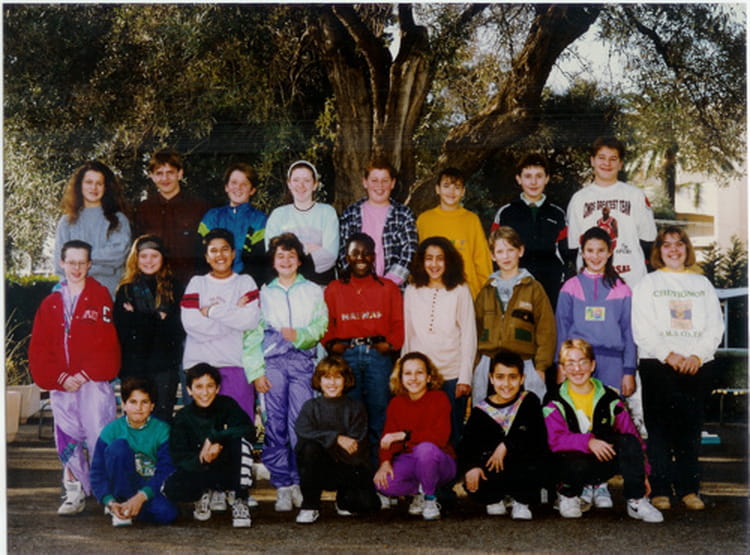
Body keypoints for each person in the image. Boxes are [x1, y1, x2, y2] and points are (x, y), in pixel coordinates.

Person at [631, 226, 724, 511]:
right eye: (667, 245)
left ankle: (688, 489)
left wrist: (697, 355)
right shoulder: (648, 284)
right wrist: (668, 354)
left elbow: (714, 326)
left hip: (696, 365)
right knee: (659, 430)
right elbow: (642, 327)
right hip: (658, 364)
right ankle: (660, 489)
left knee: (689, 429)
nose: (673, 249)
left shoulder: (702, 284)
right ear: (658, 251)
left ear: (687, 249)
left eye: (679, 244)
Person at [28, 240, 119, 515]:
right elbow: (39, 347)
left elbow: (107, 342)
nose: (76, 268)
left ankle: (107, 494)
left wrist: (85, 373)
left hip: (92, 382)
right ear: (62, 263)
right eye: (71, 262)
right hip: (63, 384)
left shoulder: (100, 296)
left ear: (89, 264)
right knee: (67, 436)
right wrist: (59, 378)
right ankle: (74, 491)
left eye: (82, 262)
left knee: (99, 434)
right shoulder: (51, 303)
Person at [248, 233, 328, 513]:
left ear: (299, 260)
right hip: (272, 364)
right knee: (275, 423)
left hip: (303, 363)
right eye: (280, 256)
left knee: (301, 423)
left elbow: (321, 325)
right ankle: (282, 484)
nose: (285, 261)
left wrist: (301, 335)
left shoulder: (313, 290)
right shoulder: (264, 293)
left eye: (291, 255)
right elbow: (252, 335)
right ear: (273, 260)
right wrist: (256, 372)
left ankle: (300, 482)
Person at [544, 339, 663, 523]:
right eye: (570, 363)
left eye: (583, 362)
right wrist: (588, 442)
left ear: (593, 365)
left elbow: (632, 434)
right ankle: (568, 494)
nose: (577, 369)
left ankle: (636, 500)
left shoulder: (609, 397)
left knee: (628, 441)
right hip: (569, 463)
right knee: (568, 459)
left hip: (601, 460)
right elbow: (555, 440)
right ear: (563, 368)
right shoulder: (554, 399)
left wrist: (643, 474)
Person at [322, 232, 404, 467]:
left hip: (377, 356)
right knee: (351, 417)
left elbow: (399, 324)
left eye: (366, 253)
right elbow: (325, 323)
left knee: (380, 414)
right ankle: (355, 474)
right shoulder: (334, 289)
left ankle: (381, 470)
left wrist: (390, 345)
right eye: (355, 253)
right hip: (347, 356)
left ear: (374, 257)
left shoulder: (388, 288)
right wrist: (331, 344)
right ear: (346, 257)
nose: (360, 258)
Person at [181, 228, 262, 423]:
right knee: (203, 431)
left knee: (239, 427)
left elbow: (250, 320)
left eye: (225, 249)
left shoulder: (245, 282)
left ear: (233, 254)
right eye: (214, 250)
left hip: (235, 365)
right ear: (206, 257)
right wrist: (234, 314)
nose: (220, 255)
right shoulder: (197, 283)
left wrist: (211, 311)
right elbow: (192, 324)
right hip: (200, 367)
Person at [403, 236, 476, 447]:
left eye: (440, 258)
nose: (434, 264)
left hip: (452, 375)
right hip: (421, 377)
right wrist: (405, 373)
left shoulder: (460, 290)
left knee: (452, 434)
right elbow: (408, 335)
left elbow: (469, 335)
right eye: (429, 258)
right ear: (421, 261)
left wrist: (465, 377)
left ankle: (453, 469)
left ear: (449, 261)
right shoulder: (412, 290)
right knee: (421, 432)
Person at [459, 351, 548, 520]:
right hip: (496, 469)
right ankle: (496, 497)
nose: (506, 384)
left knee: (531, 457)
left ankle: (521, 500)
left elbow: (536, 437)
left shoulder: (529, 400)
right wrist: (472, 466)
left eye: (513, 377)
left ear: (522, 379)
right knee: (477, 478)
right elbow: (468, 445)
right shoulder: (480, 410)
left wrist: (506, 445)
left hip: (522, 465)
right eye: (500, 377)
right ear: (491, 378)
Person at [163, 364, 255, 527]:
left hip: (225, 466)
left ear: (217, 388)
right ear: (189, 390)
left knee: (241, 442)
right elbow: (179, 457)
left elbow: (248, 430)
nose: (205, 393)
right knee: (170, 488)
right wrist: (202, 458)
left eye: (210, 386)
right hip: (201, 469)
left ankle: (240, 498)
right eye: (199, 387)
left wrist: (215, 438)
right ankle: (202, 494)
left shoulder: (227, 405)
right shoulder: (182, 417)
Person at [294, 356, 380, 524]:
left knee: (368, 506)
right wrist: (336, 438)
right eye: (327, 377)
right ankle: (310, 505)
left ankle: (343, 499)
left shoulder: (355, 407)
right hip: (318, 467)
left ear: (345, 380)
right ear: (319, 380)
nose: (332, 383)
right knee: (309, 448)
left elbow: (355, 445)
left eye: (337, 377)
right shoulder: (311, 406)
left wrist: (328, 442)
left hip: (346, 466)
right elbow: (303, 431)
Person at [473, 226, 556, 403]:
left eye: (511, 250)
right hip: (490, 363)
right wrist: (476, 365)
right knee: (489, 411)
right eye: (500, 251)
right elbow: (475, 329)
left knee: (527, 411)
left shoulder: (533, 288)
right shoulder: (486, 291)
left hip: (524, 363)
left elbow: (546, 330)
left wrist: (541, 367)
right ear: (492, 256)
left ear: (521, 251)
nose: (506, 256)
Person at [374, 352, 455, 521]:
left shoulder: (439, 398)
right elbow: (388, 438)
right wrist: (385, 462)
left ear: (429, 377)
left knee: (425, 450)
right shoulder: (396, 403)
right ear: (401, 378)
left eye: (419, 372)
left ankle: (430, 499)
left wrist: (405, 435)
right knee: (383, 483)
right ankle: (420, 492)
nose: (413, 378)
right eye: (408, 373)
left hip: (439, 460)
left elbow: (440, 437)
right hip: (411, 458)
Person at [566, 136, 657, 288]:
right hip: (591, 282)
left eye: (613, 159)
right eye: (601, 158)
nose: (607, 163)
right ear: (592, 161)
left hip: (630, 281)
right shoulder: (579, 199)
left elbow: (648, 241)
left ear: (620, 164)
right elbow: (574, 246)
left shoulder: (635, 196)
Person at [555, 226, 636, 395]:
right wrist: (561, 365)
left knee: (610, 409)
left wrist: (629, 370)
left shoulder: (622, 289)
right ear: (582, 253)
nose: (595, 256)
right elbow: (561, 329)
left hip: (612, 363)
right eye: (590, 251)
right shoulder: (570, 287)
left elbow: (628, 332)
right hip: (577, 363)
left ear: (609, 253)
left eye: (601, 251)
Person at [114, 234, 185, 423]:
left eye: (154, 256)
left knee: (161, 421)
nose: (149, 261)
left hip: (164, 366)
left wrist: (137, 316)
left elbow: (177, 329)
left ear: (163, 258)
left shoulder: (174, 288)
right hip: (133, 366)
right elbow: (123, 330)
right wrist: (158, 318)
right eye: (144, 256)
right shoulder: (126, 290)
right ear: (136, 259)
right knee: (135, 420)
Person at [90, 377, 178, 526]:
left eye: (144, 402)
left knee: (167, 514)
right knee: (118, 447)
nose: (139, 407)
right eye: (133, 402)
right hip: (121, 485)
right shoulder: (111, 431)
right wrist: (108, 500)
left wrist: (141, 497)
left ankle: (131, 509)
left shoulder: (162, 430)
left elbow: (166, 469)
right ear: (124, 404)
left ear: (152, 406)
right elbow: (97, 472)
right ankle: (119, 506)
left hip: (148, 487)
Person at [491, 153, 568, 307]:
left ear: (547, 179)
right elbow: (495, 251)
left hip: (550, 287)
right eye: (527, 176)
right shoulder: (506, 213)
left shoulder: (557, 214)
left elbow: (565, 254)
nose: (533, 182)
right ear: (518, 179)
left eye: (539, 176)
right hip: (515, 286)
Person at [53, 160, 131, 297]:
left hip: (109, 296)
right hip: (74, 298)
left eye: (99, 183)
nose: (93, 188)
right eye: (89, 182)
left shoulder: (119, 220)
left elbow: (117, 257)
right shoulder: (66, 222)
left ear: (106, 188)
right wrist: (106, 268)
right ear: (80, 185)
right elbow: (60, 264)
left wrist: (77, 261)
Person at [134, 149, 210, 285]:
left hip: (191, 282)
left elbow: (207, 248)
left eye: (170, 172)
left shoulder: (199, 207)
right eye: (159, 173)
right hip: (154, 283)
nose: (165, 178)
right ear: (152, 176)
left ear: (179, 174)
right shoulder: (144, 209)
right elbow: (137, 250)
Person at [338, 158, 418, 287]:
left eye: (385, 181)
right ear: (365, 182)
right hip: (357, 287)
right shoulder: (350, 214)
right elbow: (343, 252)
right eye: (374, 180)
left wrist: (386, 285)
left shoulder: (404, 215)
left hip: (393, 288)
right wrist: (359, 282)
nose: (379, 186)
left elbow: (409, 253)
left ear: (392, 183)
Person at [416, 167, 492, 298]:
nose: (451, 192)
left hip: (467, 292)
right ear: (437, 189)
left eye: (457, 187)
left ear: (463, 191)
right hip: (432, 293)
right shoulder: (424, 220)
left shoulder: (471, 220)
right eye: (446, 186)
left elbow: (482, 259)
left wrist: (486, 292)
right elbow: (417, 259)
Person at [265, 160, 339, 285]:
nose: (301, 185)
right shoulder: (278, 215)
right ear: (289, 184)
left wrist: (291, 253)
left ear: (315, 184)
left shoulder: (327, 213)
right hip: (286, 285)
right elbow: (273, 255)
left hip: (320, 285)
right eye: (296, 180)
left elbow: (330, 256)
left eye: (307, 180)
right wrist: (311, 249)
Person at [199, 162, 269, 285]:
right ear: (226, 187)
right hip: (213, 284)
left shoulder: (260, 219)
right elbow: (200, 254)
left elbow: (259, 262)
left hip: (246, 285)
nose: (238, 188)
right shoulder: (212, 216)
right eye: (234, 183)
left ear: (252, 190)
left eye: (244, 184)